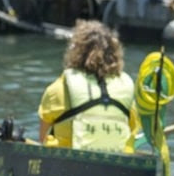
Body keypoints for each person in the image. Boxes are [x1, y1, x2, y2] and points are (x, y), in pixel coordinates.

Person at [37, 20, 136, 152]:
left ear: (75, 51)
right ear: (115, 53)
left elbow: (42, 139)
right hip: (117, 162)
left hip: (69, 162)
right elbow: (132, 128)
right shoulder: (124, 88)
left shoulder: (58, 89)